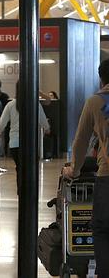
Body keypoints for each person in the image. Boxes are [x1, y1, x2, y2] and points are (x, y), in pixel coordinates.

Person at [63, 58, 109, 278]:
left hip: (107, 177)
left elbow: (80, 141)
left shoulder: (95, 102)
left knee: (103, 230)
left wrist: (75, 170)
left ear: (102, 79)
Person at [0, 80, 50, 195]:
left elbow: (2, 122)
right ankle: (30, 191)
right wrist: (47, 128)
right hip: (31, 143)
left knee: (20, 168)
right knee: (30, 169)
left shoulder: (10, 105)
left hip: (15, 143)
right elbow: (43, 120)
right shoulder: (34, 103)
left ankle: (21, 192)